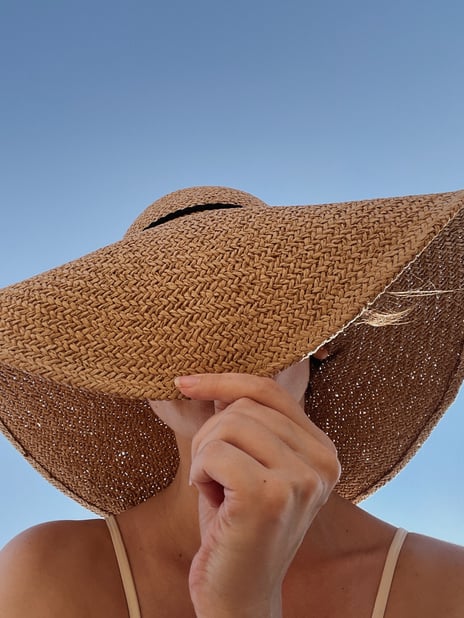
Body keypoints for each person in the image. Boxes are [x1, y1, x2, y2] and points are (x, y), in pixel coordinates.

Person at [0, 185, 463, 617]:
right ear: (127, 380)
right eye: (164, 322)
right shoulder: (50, 570)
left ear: (324, 335)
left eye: (256, 306)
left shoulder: (449, 584)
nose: (215, 344)